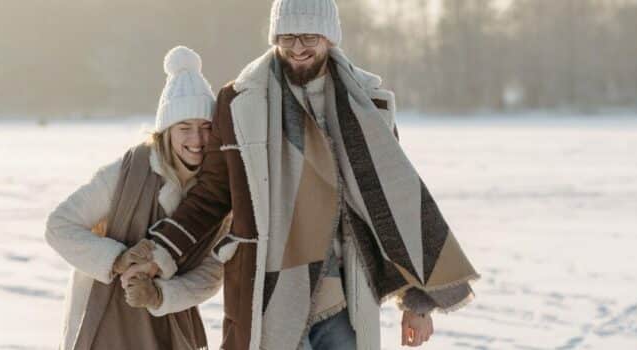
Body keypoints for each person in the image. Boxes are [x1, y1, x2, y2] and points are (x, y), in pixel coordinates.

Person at [138, 1, 480, 349]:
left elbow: (394, 205)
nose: (297, 48)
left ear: (329, 38)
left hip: (344, 299)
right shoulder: (240, 102)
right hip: (268, 296)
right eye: (287, 38)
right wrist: (159, 253)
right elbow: (211, 195)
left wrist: (419, 302)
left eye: (308, 37)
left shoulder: (366, 103)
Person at [45, 46, 226, 350]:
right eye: (185, 128)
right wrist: (117, 259)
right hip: (104, 316)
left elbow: (212, 272)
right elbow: (59, 226)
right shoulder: (126, 173)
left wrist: (160, 296)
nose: (197, 140)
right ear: (166, 131)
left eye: (206, 128)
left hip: (170, 324)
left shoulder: (216, 191)